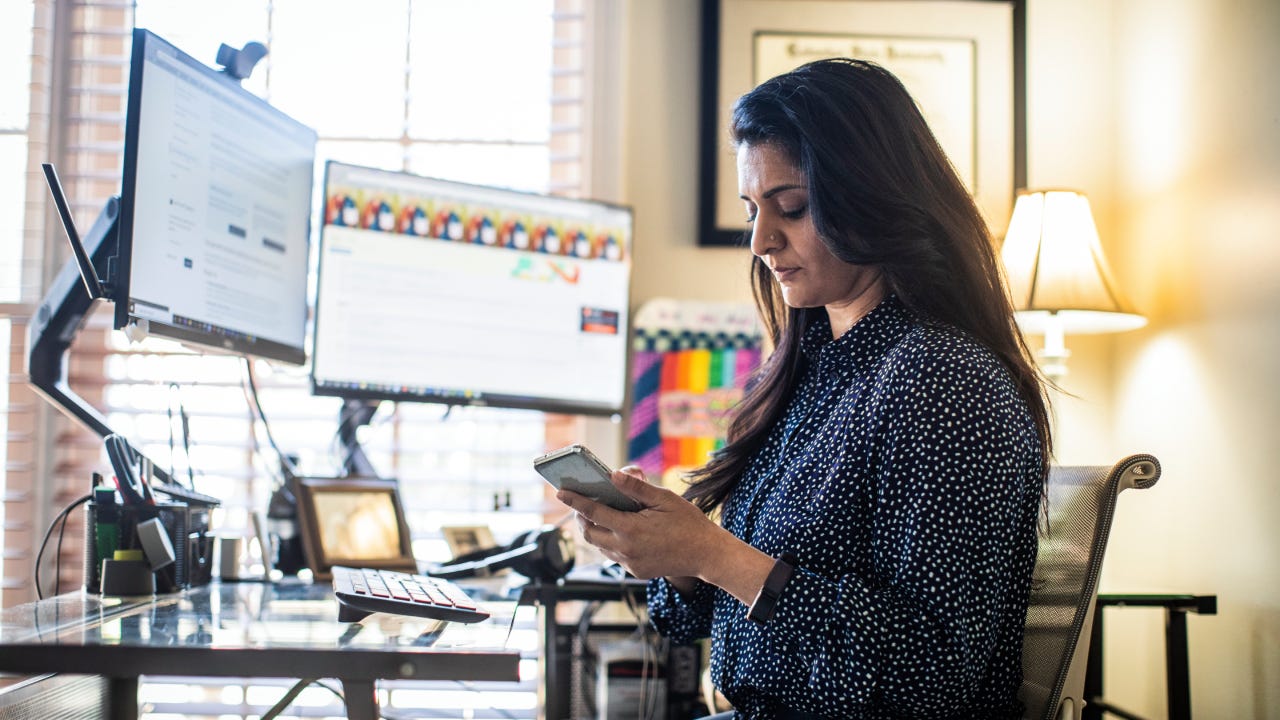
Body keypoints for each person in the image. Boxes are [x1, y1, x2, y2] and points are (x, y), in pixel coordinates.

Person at [556, 58, 1053, 719]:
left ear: (871, 199)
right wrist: (675, 553)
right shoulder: (818, 369)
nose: (761, 240)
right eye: (753, 210)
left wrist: (714, 552)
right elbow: (711, 610)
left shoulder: (941, 381)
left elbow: (931, 676)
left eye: (791, 207)